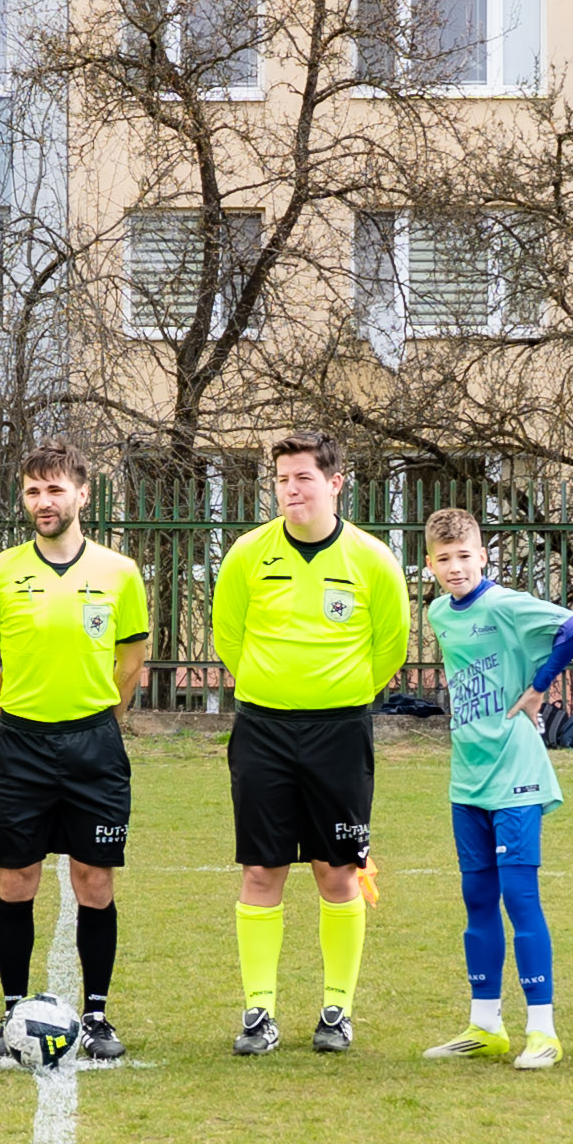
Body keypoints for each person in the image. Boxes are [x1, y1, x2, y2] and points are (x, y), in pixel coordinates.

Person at [209, 433, 414, 1056]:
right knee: (261, 868)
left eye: (303, 478)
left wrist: (339, 691)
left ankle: (336, 1010)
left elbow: (390, 649)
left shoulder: (372, 559)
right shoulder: (248, 554)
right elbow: (229, 636)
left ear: (336, 482)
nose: (290, 490)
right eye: (281, 480)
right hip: (263, 731)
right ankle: (258, 1012)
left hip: (339, 734)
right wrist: (274, 687)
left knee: (337, 871)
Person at [0, 444, 155, 1068]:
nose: (43, 503)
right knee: (14, 879)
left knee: (93, 881)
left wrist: (103, 717)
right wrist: (12, 714)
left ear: (82, 494)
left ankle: (98, 1015)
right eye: (31, 492)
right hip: (20, 745)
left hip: (94, 746)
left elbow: (131, 661)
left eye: (54, 490)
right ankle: (12, 1008)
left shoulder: (120, 572)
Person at [420, 509, 573, 1068]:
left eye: (465, 556)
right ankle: (485, 1025)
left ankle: (542, 1032)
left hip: (517, 775)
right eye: (444, 559)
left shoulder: (502, 604)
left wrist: (540, 686)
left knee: (520, 899)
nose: (456, 567)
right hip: (466, 778)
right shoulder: (439, 615)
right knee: (476, 901)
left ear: (484, 556)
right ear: (430, 565)